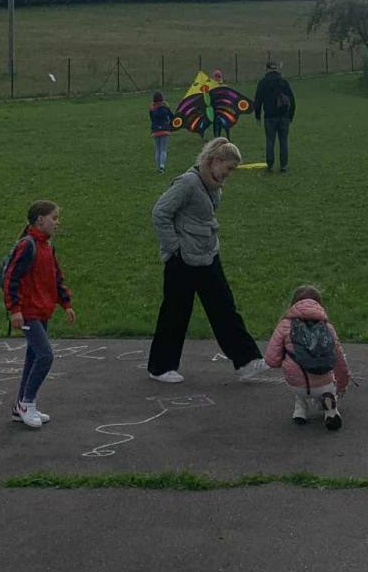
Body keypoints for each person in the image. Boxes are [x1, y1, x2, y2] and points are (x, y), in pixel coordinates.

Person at [147, 138, 267, 384]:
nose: (229, 174)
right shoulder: (188, 183)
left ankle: (246, 361)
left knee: (224, 306)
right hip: (182, 259)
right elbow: (160, 212)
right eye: (228, 168)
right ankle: (160, 367)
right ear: (215, 161)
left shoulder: (213, 185)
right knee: (175, 312)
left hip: (207, 254)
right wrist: (174, 247)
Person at [0, 199, 76, 430]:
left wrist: (65, 303)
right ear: (40, 220)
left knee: (33, 357)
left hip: (42, 310)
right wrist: (15, 310)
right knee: (45, 356)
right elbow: (11, 278)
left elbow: (56, 276)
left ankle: (21, 406)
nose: (57, 222)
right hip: (28, 312)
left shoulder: (47, 246)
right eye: (54, 218)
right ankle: (27, 403)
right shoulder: (27, 245)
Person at [264, 285, 350, 430]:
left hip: (296, 384)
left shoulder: (284, 325)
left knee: (297, 371)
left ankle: (300, 410)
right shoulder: (327, 327)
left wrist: (287, 359)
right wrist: (341, 386)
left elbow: (271, 360)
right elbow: (340, 361)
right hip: (324, 384)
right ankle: (331, 410)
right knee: (328, 383)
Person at [253, 60, 296, 173]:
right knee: (283, 141)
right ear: (277, 69)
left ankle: (270, 164)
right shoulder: (283, 82)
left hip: (269, 117)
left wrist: (257, 115)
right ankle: (283, 165)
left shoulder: (263, 83)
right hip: (284, 116)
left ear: (266, 69)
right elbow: (292, 99)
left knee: (270, 141)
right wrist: (291, 115)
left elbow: (258, 100)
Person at [150, 91, 174, 172]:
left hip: (155, 131)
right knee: (163, 149)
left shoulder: (152, 109)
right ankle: (162, 166)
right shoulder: (165, 108)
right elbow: (172, 117)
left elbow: (152, 119)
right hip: (165, 130)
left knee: (158, 149)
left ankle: (158, 167)